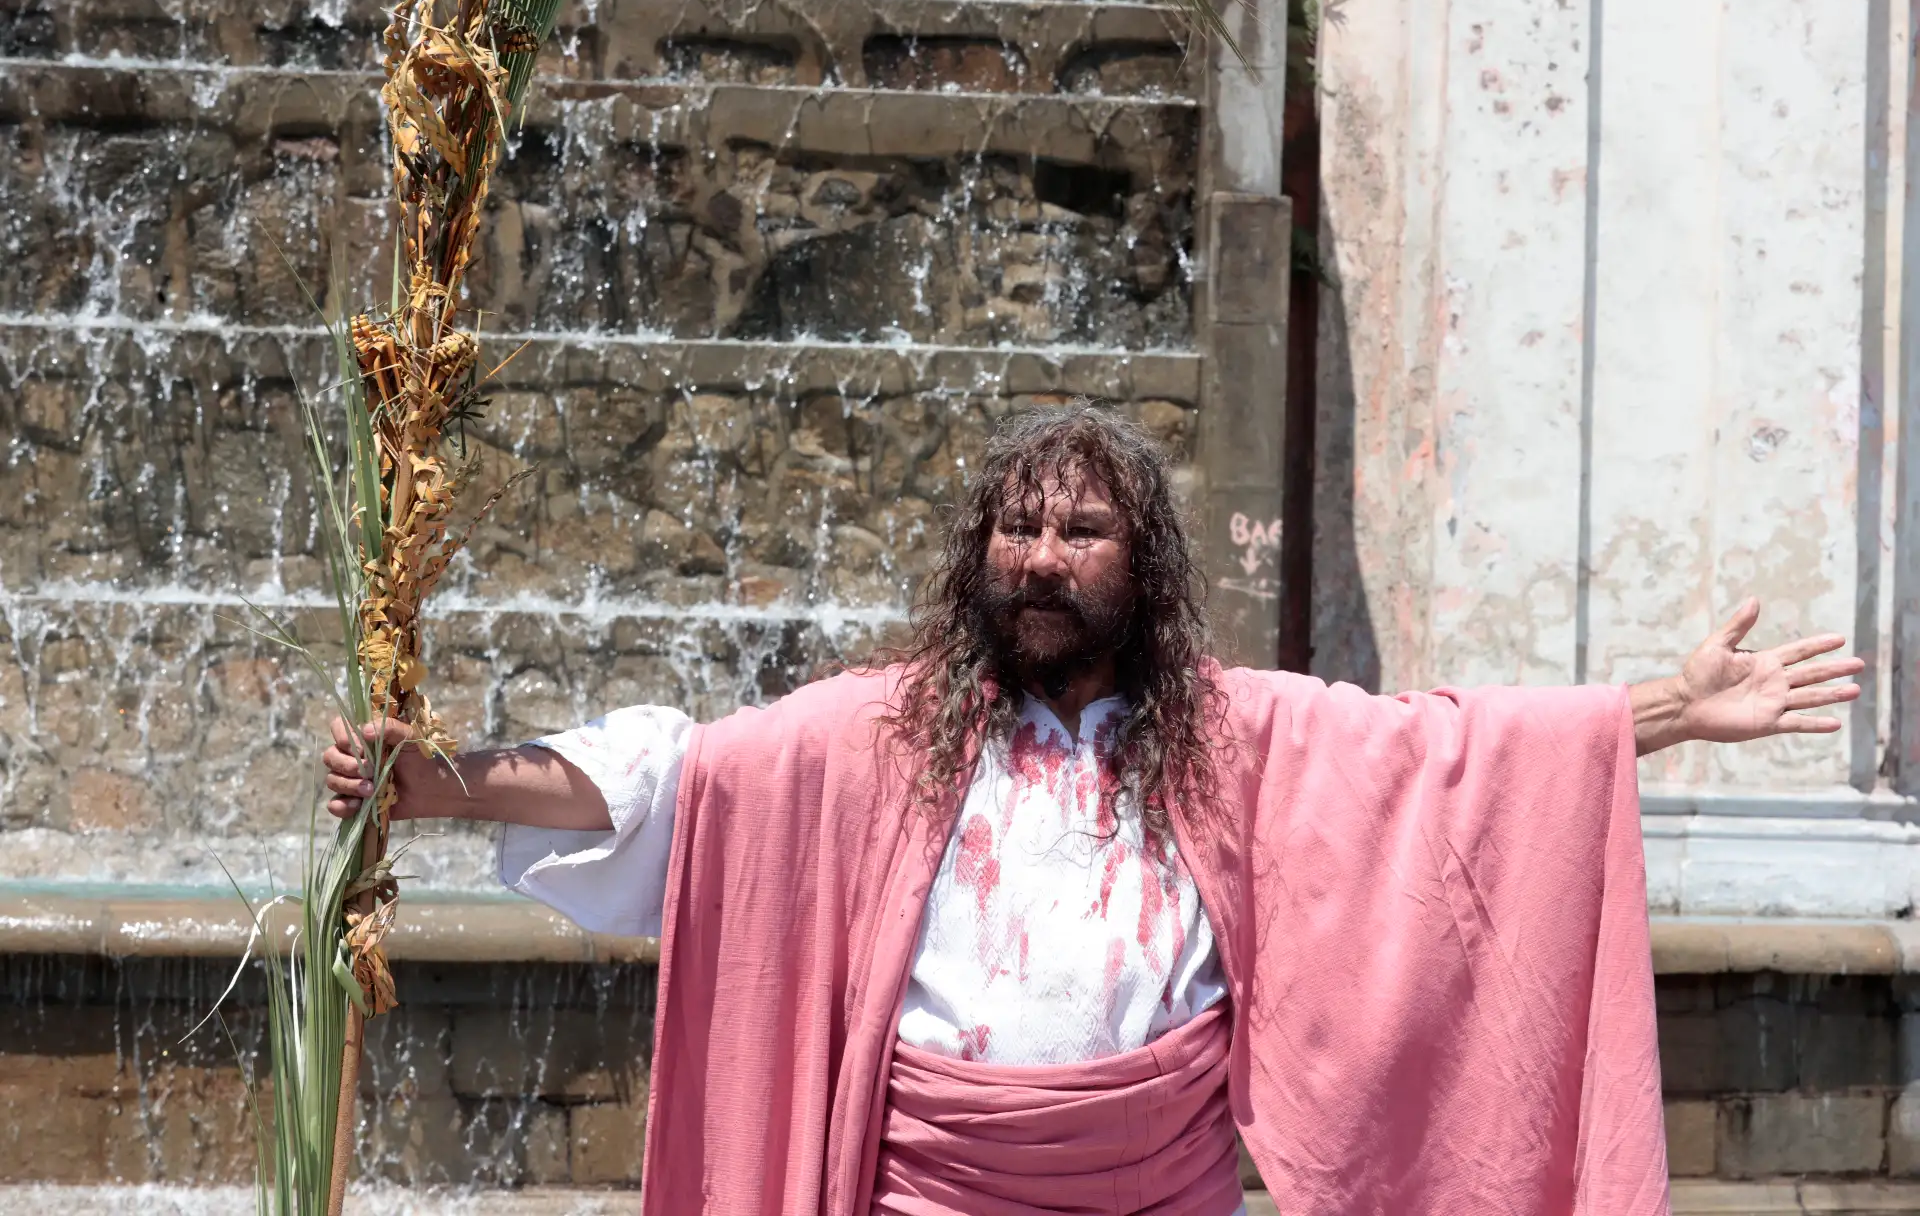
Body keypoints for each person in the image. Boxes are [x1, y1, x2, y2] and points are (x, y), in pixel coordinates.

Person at [323, 403, 1862, 1215]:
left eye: (1078, 527)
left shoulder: (1232, 734)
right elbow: (675, 779)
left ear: (1145, 562)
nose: (1040, 556)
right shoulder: (886, 730)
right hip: (933, 1190)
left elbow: (1454, 759)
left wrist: (1670, 708)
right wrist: (438, 786)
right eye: (1015, 525)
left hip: (1155, 1189)